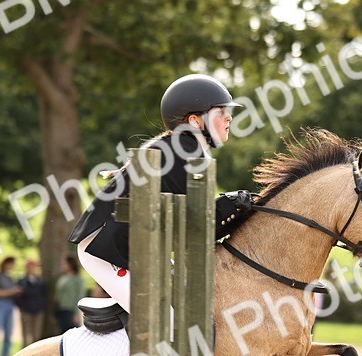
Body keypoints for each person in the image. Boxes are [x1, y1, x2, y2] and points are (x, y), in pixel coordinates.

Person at [68, 73, 249, 313]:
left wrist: (235, 208)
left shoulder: (190, 151)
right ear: (195, 121)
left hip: (136, 247)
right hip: (107, 249)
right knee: (169, 320)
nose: (229, 118)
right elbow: (196, 224)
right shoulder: (179, 153)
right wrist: (229, 206)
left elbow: (193, 227)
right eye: (220, 112)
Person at [15, 259, 48, 347]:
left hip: (38, 310)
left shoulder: (40, 280)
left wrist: (41, 306)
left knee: (36, 334)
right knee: (26, 334)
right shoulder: (22, 280)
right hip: (26, 310)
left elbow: (44, 295)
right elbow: (18, 296)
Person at [54, 255, 87, 334]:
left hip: (71, 310)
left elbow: (80, 296)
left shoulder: (78, 279)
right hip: (61, 309)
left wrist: (76, 314)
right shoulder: (63, 278)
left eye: (65, 264)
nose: (63, 266)